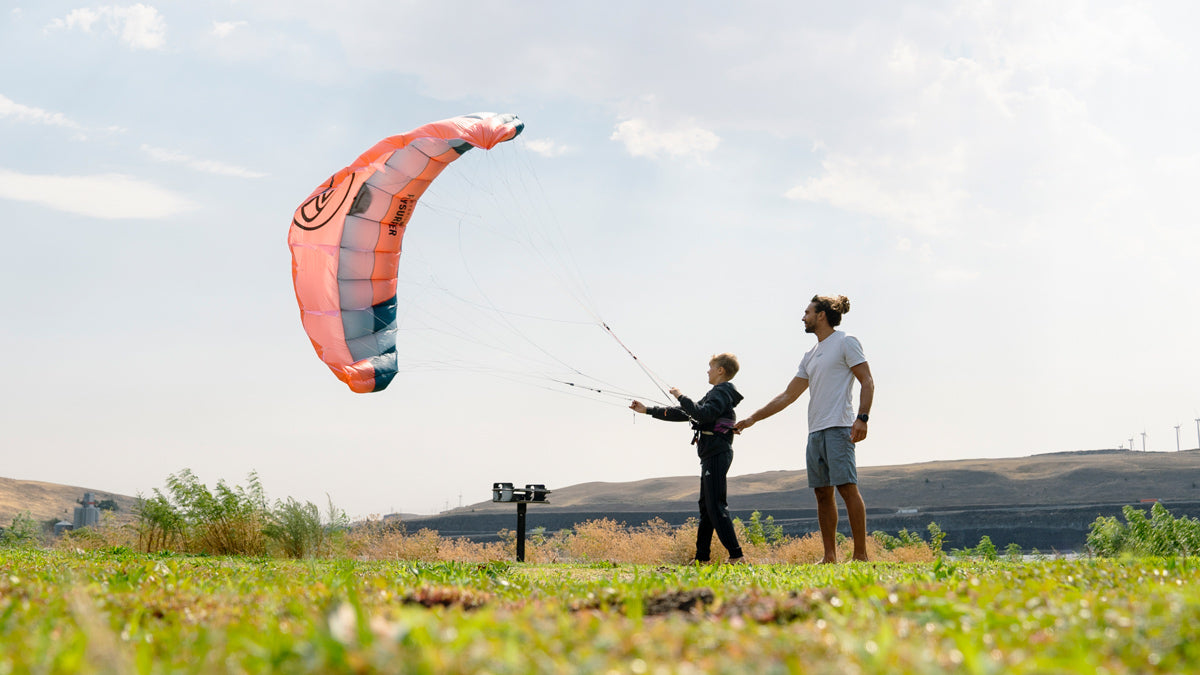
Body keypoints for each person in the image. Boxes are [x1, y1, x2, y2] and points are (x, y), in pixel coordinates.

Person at [735, 295, 874, 563]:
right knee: (822, 493)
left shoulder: (846, 341)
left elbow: (867, 380)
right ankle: (830, 556)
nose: (803, 317)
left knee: (847, 487)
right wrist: (752, 418)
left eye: (807, 312)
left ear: (821, 315)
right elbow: (788, 395)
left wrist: (862, 418)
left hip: (839, 427)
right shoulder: (809, 355)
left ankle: (860, 555)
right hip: (815, 431)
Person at [630, 353, 746, 564]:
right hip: (711, 453)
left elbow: (702, 414)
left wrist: (680, 396)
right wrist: (647, 410)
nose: (707, 371)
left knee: (716, 506)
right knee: (706, 507)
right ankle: (702, 558)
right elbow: (686, 414)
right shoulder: (717, 393)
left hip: (717, 453)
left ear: (721, 370)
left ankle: (737, 555)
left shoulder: (722, 392)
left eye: (710, 367)